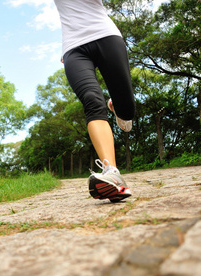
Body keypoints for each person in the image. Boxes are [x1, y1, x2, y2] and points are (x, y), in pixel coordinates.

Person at [53, 0, 136, 201]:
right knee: (92, 100)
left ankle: (117, 106)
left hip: (106, 35)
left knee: (127, 112)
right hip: (74, 48)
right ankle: (112, 173)